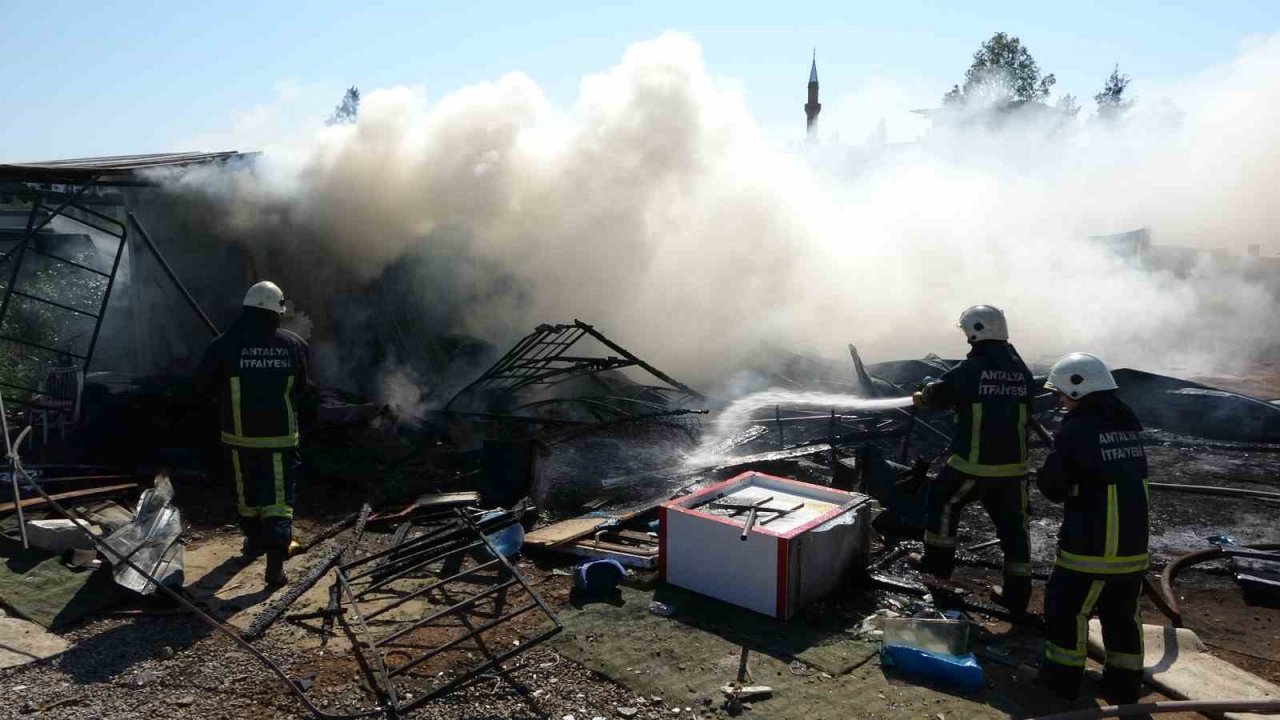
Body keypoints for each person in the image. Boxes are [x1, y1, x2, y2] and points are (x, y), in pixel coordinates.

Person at [1036, 352, 1148, 703]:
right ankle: (1124, 685)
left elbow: (1053, 486)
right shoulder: (1128, 429)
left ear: (1078, 388)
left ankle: (1061, 680)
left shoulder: (1076, 431)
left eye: (1061, 392)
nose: (1059, 399)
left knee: (1066, 610)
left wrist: (1046, 474)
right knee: (1122, 616)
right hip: (1133, 548)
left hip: (1090, 548)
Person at [912, 305, 1037, 613]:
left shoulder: (972, 368)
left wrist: (925, 393)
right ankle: (1017, 594)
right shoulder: (1020, 369)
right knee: (1014, 528)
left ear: (974, 332)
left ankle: (937, 567)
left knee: (943, 501)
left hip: (973, 463)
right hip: (1014, 467)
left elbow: (939, 394)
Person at [196, 281, 312, 586]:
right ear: (277, 312)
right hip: (280, 439)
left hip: (238, 439)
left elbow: (203, 387)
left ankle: (253, 542)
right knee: (278, 500)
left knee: (246, 496)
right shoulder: (294, 345)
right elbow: (304, 390)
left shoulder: (223, 344)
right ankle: (275, 566)